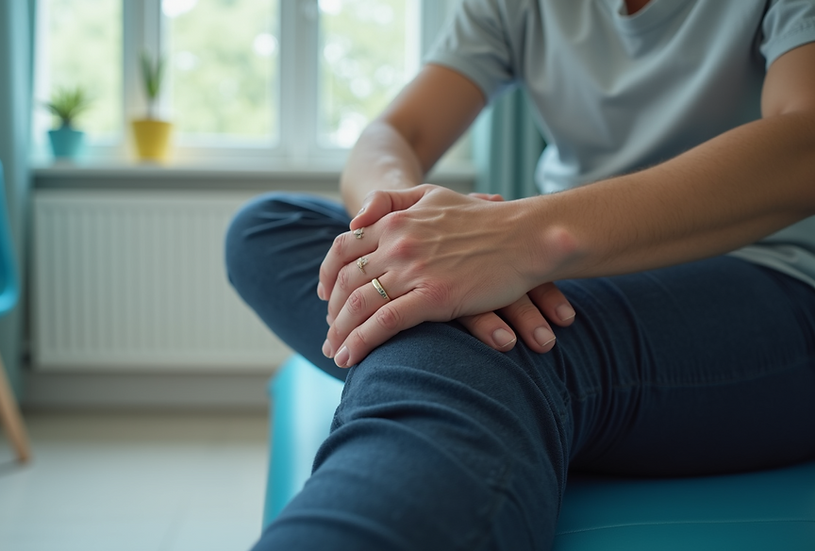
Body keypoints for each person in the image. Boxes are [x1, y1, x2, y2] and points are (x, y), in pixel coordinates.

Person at [226, 0, 815, 549]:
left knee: (481, 343)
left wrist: (522, 239)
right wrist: (412, 232)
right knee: (268, 226)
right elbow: (396, 134)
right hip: (561, 272)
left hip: (767, 283)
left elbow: (803, 140)